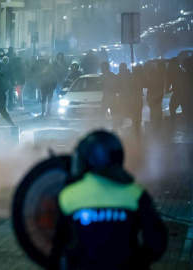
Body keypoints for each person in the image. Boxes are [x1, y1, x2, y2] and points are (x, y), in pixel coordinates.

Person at [51, 131, 167, 269]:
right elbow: (156, 243)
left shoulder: (67, 196)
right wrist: (136, 262)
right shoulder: (136, 194)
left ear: (84, 159)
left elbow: (57, 246)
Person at [99, 62, 119, 131]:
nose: (101, 69)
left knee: (113, 113)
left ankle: (114, 128)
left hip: (111, 97)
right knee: (104, 113)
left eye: (102, 67)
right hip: (107, 97)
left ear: (106, 67)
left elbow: (116, 86)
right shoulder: (103, 76)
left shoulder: (111, 76)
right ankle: (104, 128)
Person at [146, 64, 165, 132]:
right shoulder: (159, 81)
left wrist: (148, 99)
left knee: (154, 115)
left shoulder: (154, 82)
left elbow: (150, 91)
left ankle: (156, 128)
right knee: (156, 115)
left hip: (155, 100)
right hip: (155, 100)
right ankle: (157, 128)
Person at [166, 58, 184, 123]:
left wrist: (169, 89)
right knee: (185, 109)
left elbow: (168, 85)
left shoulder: (171, 73)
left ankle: (173, 123)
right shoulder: (181, 71)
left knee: (172, 108)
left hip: (178, 94)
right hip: (183, 93)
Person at [132, 64, 147, 137]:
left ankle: (137, 125)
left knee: (136, 111)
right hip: (137, 96)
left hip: (136, 96)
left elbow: (145, 84)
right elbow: (145, 84)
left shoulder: (134, 76)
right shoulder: (140, 76)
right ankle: (137, 125)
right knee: (138, 111)